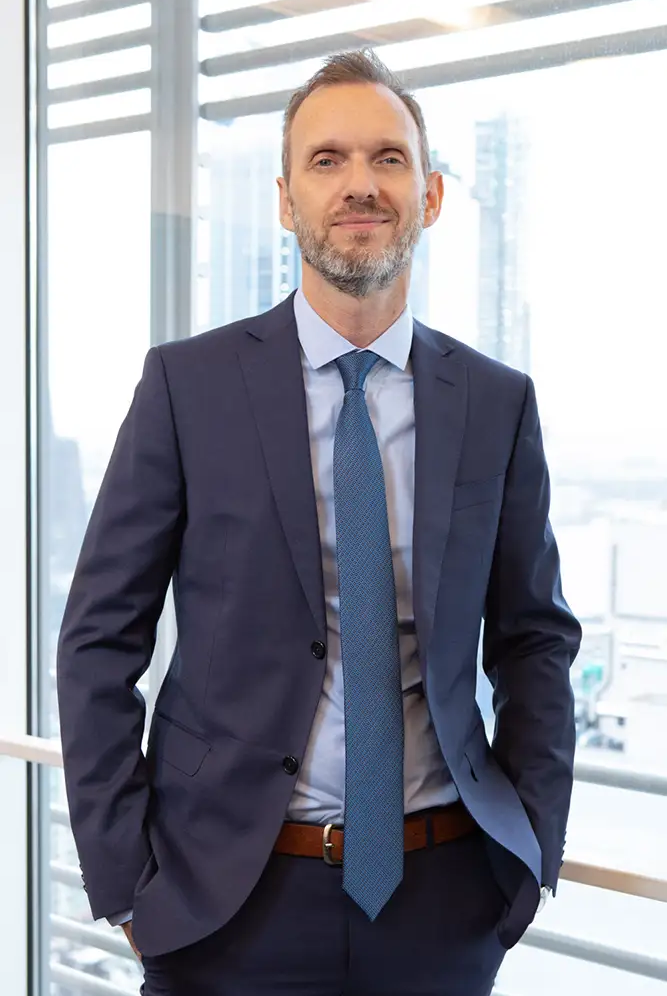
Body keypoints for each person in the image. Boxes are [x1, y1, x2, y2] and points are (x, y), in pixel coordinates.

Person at [57, 49, 581, 996]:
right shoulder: (187, 386)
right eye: (326, 160)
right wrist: (126, 887)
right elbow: (98, 639)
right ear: (286, 199)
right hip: (223, 902)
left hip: (444, 894)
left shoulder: (496, 401)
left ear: (428, 197)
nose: (358, 184)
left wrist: (529, 851)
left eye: (387, 158)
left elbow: (534, 641)